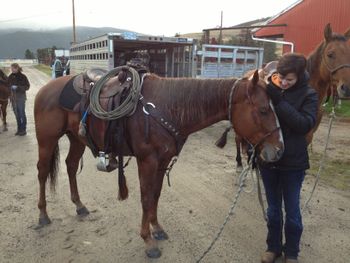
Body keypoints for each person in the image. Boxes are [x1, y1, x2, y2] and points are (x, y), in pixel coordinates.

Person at [259, 53, 318, 263]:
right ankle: (272, 247)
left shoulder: (309, 95)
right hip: (269, 160)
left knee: (292, 212)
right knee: (273, 210)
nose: (283, 83)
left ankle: (291, 252)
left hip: (293, 163)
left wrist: (279, 101)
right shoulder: (269, 88)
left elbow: (303, 124)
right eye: (281, 77)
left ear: (300, 76)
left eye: (289, 79)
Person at [8, 63, 30, 136]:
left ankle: (23, 129)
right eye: (11, 69)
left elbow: (27, 86)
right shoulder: (10, 77)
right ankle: (19, 129)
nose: (11, 70)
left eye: (12, 68)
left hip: (21, 98)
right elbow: (7, 85)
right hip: (13, 99)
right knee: (16, 115)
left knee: (21, 114)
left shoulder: (23, 77)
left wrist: (18, 87)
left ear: (16, 68)